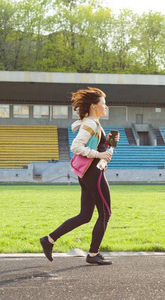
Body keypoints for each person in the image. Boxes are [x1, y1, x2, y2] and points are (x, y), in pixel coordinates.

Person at [40, 87, 119, 265]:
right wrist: (99, 155)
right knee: (105, 213)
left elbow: (99, 147)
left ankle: (49, 240)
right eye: (103, 104)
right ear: (93, 106)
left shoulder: (94, 123)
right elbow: (76, 146)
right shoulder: (90, 124)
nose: (106, 107)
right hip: (93, 173)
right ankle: (93, 254)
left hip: (87, 174)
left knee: (85, 215)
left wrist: (108, 144)